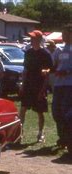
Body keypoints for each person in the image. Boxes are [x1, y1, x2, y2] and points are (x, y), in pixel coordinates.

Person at [20, 30, 53, 143]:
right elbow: (25, 70)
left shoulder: (45, 54)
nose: (31, 40)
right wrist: (22, 84)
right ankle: (20, 132)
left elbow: (49, 71)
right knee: (23, 108)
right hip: (28, 84)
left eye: (34, 38)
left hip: (39, 85)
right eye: (31, 38)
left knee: (40, 111)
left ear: (39, 39)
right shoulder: (28, 52)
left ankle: (40, 133)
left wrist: (43, 89)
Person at [51, 24, 72, 153]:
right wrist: (49, 70)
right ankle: (62, 137)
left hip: (69, 85)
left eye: (66, 34)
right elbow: (53, 66)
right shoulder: (59, 50)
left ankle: (66, 139)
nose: (64, 36)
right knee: (56, 111)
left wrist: (67, 72)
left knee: (66, 112)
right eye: (63, 34)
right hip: (58, 85)